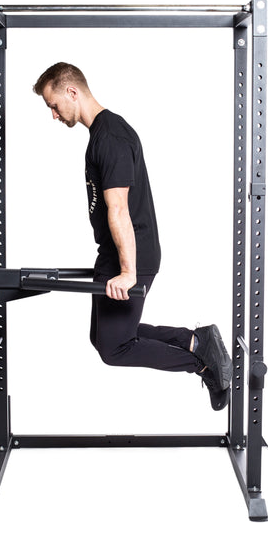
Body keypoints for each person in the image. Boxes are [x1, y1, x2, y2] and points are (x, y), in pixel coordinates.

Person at [33, 62, 232, 410]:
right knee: (103, 338)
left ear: (72, 91)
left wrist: (127, 272)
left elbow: (119, 208)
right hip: (114, 253)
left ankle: (202, 363)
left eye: (53, 105)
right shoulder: (102, 134)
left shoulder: (109, 138)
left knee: (115, 348)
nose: (53, 114)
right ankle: (196, 340)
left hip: (131, 255)